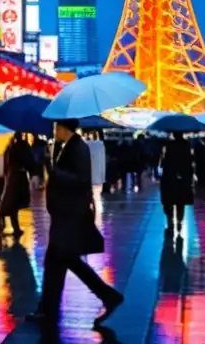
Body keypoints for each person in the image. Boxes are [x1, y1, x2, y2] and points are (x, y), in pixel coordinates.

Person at [28, 119, 124, 328]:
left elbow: (80, 180)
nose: (54, 132)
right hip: (65, 215)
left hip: (70, 216)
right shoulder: (69, 146)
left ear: (64, 128)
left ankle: (108, 296)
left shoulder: (78, 148)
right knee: (56, 263)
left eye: (56, 128)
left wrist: (53, 171)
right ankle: (47, 309)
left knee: (67, 261)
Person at [0, 132, 33, 237]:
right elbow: (30, 162)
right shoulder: (24, 146)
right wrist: (33, 173)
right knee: (14, 204)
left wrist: (6, 174)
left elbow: (6, 163)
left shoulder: (11, 147)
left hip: (11, 176)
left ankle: (4, 223)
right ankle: (6, 224)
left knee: (11, 203)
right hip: (20, 178)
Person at [159, 131, 194, 235]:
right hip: (183, 177)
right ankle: (179, 220)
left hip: (169, 176)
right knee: (180, 201)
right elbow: (189, 162)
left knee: (168, 200)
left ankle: (170, 219)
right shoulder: (186, 145)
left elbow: (164, 162)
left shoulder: (168, 145)